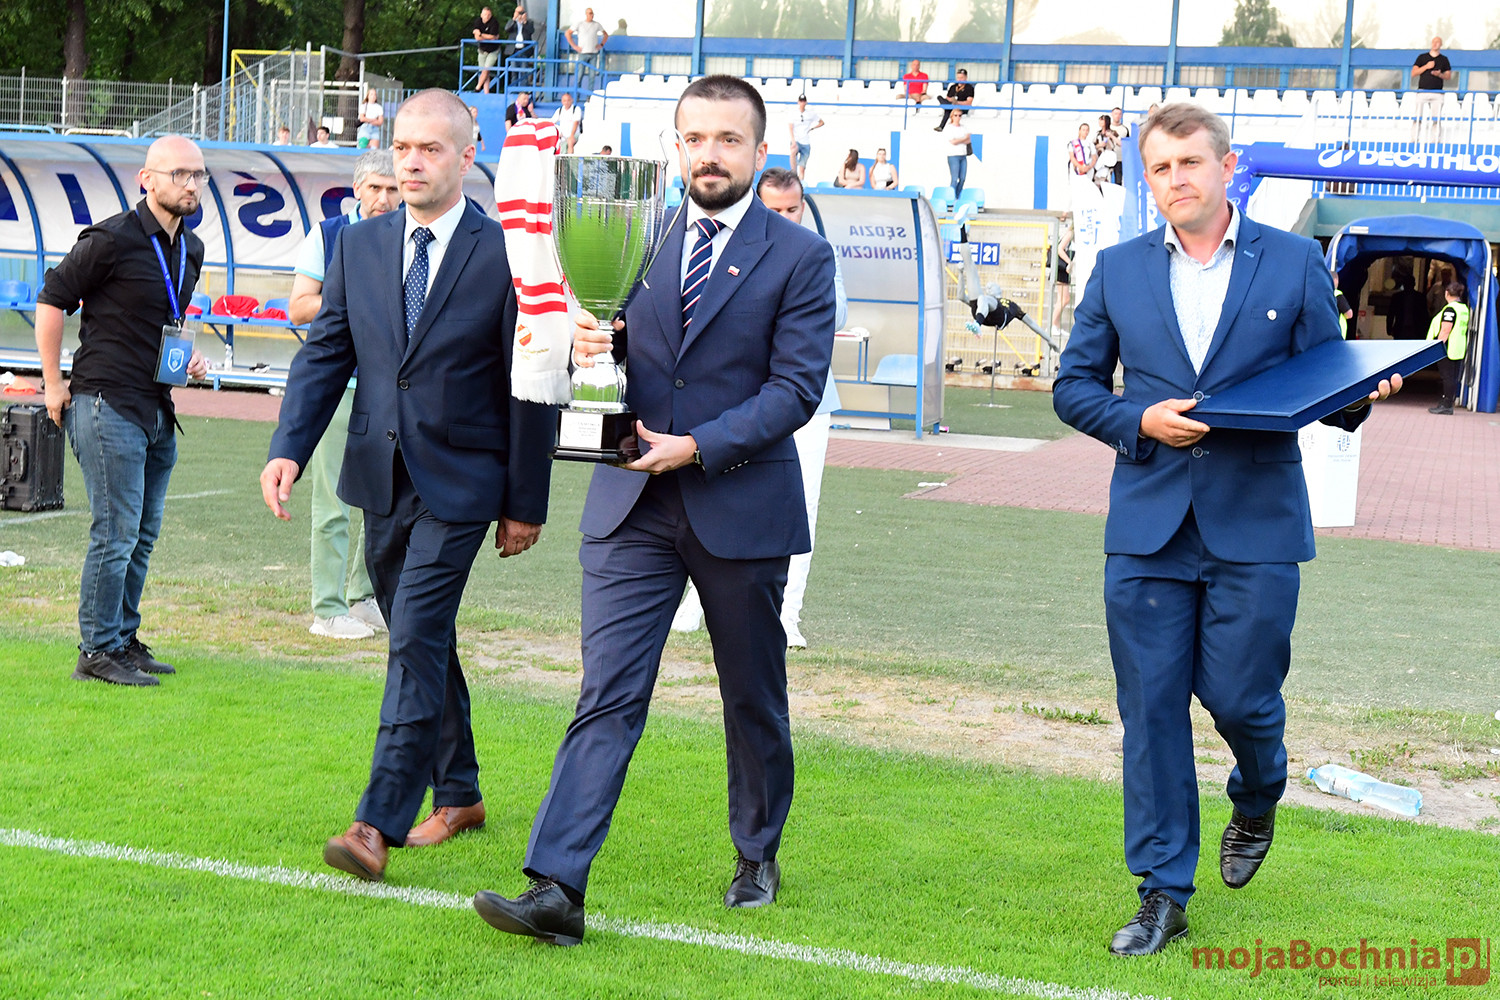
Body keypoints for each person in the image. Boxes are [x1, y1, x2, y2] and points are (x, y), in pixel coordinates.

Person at [473, 74, 836, 946]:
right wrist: (599, 343)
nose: (710, 154)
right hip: (630, 501)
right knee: (607, 693)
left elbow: (795, 389)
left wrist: (697, 445)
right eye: (695, 138)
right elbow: (632, 354)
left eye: (728, 140)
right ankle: (556, 885)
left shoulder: (800, 256)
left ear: (759, 151)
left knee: (752, 696)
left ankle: (757, 851)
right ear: (676, 147)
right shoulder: (637, 234)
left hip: (737, 503)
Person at [1052, 103, 1400, 958]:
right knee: (1151, 711)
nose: (1175, 180)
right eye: (1159, 168)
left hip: (1258, 524)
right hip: (1148, 527)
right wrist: (1140, 421)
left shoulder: (1293, 261)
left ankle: (1260, 786)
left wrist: (1365, 391)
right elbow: (1074, 386)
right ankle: (1162, 893)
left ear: (1226, 165)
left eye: (1189, 163)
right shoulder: (1118, 269)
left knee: (1242, 698)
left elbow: (1329, 382)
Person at [260, 89, 556, 882]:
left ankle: (375, 823)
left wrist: (525, 501)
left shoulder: (506, 252)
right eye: (402, 147)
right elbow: (328, 354)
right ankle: (459, 793)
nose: (412, 162)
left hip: (464, 482)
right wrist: (289, 447)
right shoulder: (358, 245)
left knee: (416, 634)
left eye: (430, 149)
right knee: (421, 639)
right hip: (378, 475)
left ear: (466, 156)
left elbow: (531, 387)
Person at [34, 135, 211, 686]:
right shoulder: (110, 239)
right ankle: (97, 650)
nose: (191, 184)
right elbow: (51, 300)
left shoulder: (191, 248)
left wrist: (187, 360)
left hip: (156, 405)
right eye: (179, 173)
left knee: (142, 534)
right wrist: (53, 384)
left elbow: (166, 319)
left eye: (199, 175)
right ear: (147, 179)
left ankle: (123, 640)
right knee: (115, 533)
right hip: (105, 401)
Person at [672, 166, 845, 649]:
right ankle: (694, 602)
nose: (786, 217)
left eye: (793, 209)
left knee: (800, 508)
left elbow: (836, 314)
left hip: (802, 406)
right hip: (732, 401)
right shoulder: (720, 246)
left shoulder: (811, 252)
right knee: (706, 497)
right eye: (775, 209)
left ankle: (789, 614)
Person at [287, 150, 401, 641]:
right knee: (333, 502)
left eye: (392, 189)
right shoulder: (329, 234)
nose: (384, 198)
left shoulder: (409, 236)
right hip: (340, 386)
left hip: (388, 388)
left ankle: (362, 596)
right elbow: (298, 308)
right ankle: (327, 609)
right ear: (357, 190)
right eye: (375, 188)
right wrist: (354, 300)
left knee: (381, 499)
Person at [1426, 281, 1469, 415]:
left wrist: (1436, 347)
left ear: (1446, 293)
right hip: (1459, 347)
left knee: (1447, 377)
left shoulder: (1450, 309)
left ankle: (1446, 405)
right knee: (1453, 377)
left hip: (1447, 348)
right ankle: (1447, 401)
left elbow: (1445, 330)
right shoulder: (1463, 308)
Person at [1410, 36, 1452, 144]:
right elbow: (1414, 73)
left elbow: (1448, 76)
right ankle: (1414, 139)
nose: (1435, 44)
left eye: (1437, 42)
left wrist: (1439, 74)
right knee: (1417, 116)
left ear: (1441, 45)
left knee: (1436, 118)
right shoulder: (1422, 57)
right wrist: (1426, 66)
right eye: (1433, 41)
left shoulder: (1444, 59)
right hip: (1422, 91)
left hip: (1437, 92)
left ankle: (1436, 140)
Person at [565, 7, 609, 90]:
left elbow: (606, 35)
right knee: (579, 75)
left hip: (593, 54)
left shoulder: (597, 25)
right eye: (590, 13)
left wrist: (601, 44)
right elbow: (568, 33)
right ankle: (577, 94)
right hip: (582, 53)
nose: (591, 15)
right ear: (586, 14)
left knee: (592, 76)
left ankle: (589, 95)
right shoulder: (579, 24)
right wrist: (574, 46)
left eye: (592, 13)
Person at [788, 94, 822, 181]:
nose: (802, 103)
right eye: (801, 101)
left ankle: (801, 182)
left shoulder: (810, 113)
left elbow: (821, 122)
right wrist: (793, 140)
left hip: (805, 141)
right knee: (793, 153)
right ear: (798, 102)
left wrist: (813, 128)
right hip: (796, 139)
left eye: (803, 101)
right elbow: (790, 127)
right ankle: (793, 174)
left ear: (806, 102)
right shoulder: (794, 113)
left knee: (802, 168)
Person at [501, 6, 535, 91]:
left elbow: (531, 31)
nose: (520, 14)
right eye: (518, 12)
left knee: (524, 71)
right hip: (513, 50)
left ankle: (523, 91)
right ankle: (513, 90)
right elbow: (507, 29)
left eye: (521, 12)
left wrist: (524, 22)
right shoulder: (511, 22)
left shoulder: (529, 22)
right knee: (514, 71)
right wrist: (514, 19)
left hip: (524, 50)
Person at [471, 6, 503, 94]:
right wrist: (488, 37)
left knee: (486, 69)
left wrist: (481, 34)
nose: (487, 16)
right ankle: (486, 92)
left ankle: (477, 87)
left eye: (489, 15)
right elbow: (477, 38)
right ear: (481, 15)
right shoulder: (478, 21)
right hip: (482, 50)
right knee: (483, 71)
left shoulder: (494, 22)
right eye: (485, 14)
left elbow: (493, 37)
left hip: (493, 50)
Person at [1050, 213, 1073, 336]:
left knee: (1063, 299)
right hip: (1061, 268)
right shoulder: (1071, 233)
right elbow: (1060, 248)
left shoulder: (1071, 234)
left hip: (1063, 269)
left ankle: (1056, 326)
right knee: (1064, 299)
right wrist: (1069, 262)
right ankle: (1053, 325)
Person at [945, 108, 971, 198]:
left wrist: (960, 140)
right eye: (955, 115)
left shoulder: (963, 127)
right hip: (953, 155)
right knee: (954, 178)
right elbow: (953, 141)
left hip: (963, 155)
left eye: (960, 115)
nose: (958, 117)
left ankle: (957, 195)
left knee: (962, 178)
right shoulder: (949, 128)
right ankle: (951, 197)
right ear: (952, 116)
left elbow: (968, 140)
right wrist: (963, 139)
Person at [1094, 114, 1120, 189]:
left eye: (1102, 120)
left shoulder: (1113, 132)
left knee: (1107, 179)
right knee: (1097, 179)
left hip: (1108, 159)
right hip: (1099, 159)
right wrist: (1099, 145)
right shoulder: (1097, 134)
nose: (1100, 122)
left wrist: (1111, 136)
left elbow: (1120, 143)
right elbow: (1093, 146)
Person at [1332, 270, 1353, 338]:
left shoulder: (1320, 295)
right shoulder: (1337, 295)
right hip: (1337, 333)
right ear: (1335, 280)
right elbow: (1349, 314)